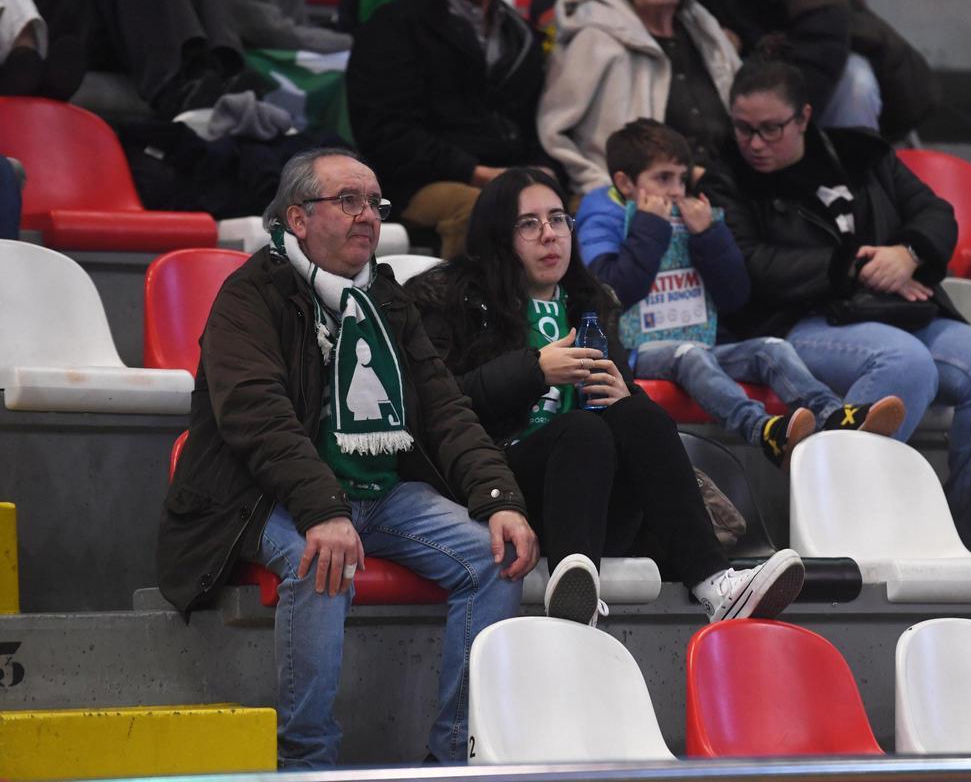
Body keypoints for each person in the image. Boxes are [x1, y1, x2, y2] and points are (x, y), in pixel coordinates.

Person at [156, 148, 538, 767]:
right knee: (322, 560)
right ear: (298, 219)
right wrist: (322, 509)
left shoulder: (385, 297)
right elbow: (259, 417)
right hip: (262, 494)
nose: (369, 216)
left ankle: (457, 753)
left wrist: (500, 499)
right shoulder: (249, 296)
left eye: (375, 204)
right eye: (349, 201)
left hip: (379, 494)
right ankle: (307, 763)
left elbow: (445, 410)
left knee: (497, 557)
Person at [408, 167, 806, 626]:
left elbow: (630, 421)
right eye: (529, 224)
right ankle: (574, 589)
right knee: (579, 430)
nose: (549, 235)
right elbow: (435, 406)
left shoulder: (589, 301)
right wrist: (533, 371)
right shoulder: (449, 298)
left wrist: (624, 392)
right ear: (498, 235)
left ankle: (716, 585)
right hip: (495, 496)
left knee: (639, 414)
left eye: (558, 219)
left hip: (595, 504)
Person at [700, 57, 971, 550]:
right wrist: (852, 265)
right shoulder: (726, 175)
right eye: (744, 128)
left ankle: (965, 536)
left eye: (770, 129)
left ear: (805, 117)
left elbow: (935, 211)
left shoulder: (861, 153)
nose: (754, 143)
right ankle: (839, 530)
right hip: (799, 319)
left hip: (896, 309)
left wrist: (908, 252)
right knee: (905, 362)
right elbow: (751, 267)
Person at [575, 117, 906, 464]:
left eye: (682, 178)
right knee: (689, 354)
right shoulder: (601, 216)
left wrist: (709, 236)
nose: (676, 190)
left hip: (704, 340)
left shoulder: (690, 215)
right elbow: (609, 291)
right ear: (625, 183)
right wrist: (649, 227)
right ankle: (765, 431)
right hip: (635, 352)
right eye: (663, 179)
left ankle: (834, 416)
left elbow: (735, 296)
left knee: (772, 348)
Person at [347, 0, 549, 258]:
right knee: (484, 209)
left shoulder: (520, 33)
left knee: (583, 203)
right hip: (415, 183)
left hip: (511, 174)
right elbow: (385, 133)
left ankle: (578, 301)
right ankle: (470, 301)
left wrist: (543, 169)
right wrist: (476, 172)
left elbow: (535, 120)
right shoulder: (394, 24)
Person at [537, 0, 741, 196]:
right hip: (629, 201)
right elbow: (553, 132)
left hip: (721, 191)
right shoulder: (594, 38)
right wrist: (601, 188)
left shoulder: (706, 33)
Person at [699, 0, 939, 140]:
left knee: (855, 82)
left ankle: (855, 189)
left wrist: (784, 122)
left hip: (826, 75)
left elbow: (823, 43)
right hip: (766, 72)